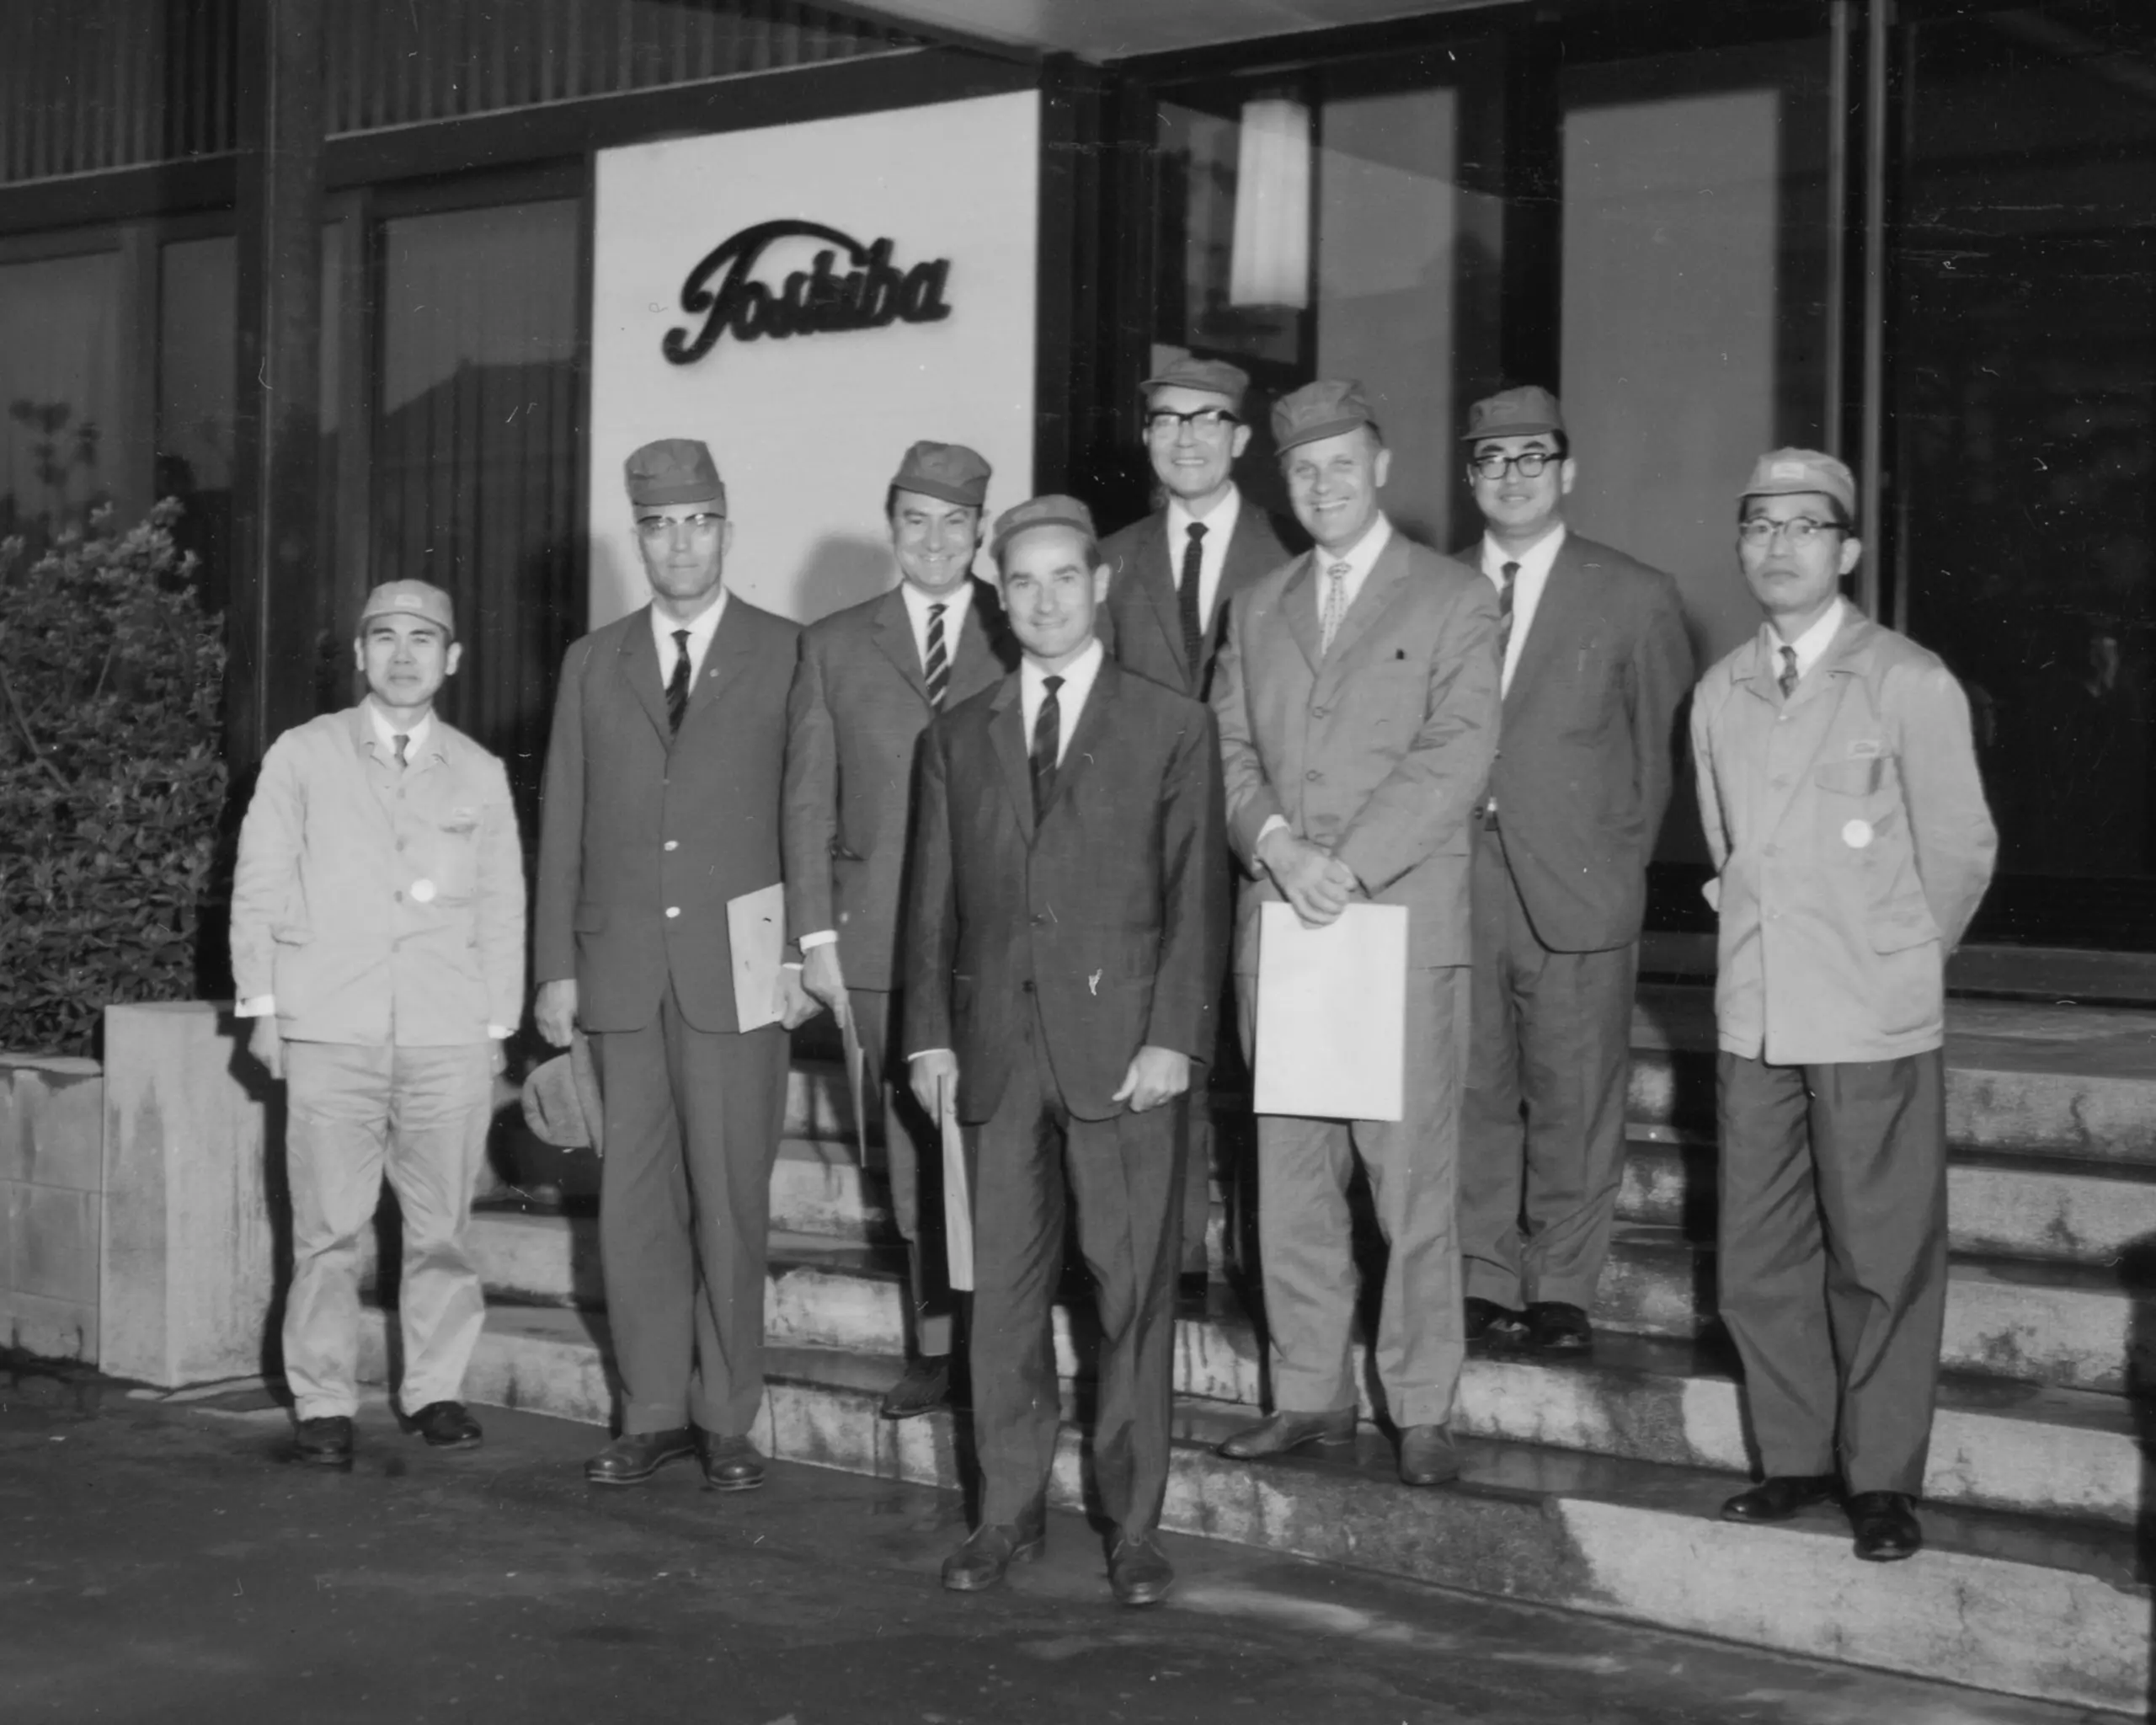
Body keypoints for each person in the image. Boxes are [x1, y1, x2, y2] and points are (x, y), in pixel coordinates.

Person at [904, 494, 1226, 1607]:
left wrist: (1175, 1036)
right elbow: (931, 901)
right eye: (1022, 582)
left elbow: (1197, 902)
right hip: (995, 1050)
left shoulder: (1170, 724)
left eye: (1063, 579)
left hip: (1124, 1053)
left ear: (1101, 588)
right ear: (999, 596)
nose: (1043, 600)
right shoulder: (958, 733)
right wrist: (928, 1040)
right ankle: (1005, 1513)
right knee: (1001, 1293)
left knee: (1130, 1292)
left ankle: (1132, 1526)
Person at [1691, 448, 1996, 1562]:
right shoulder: (1719, 691)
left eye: (1806, 527)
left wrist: (1903, 959)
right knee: (1761, 1254)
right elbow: (1730, 849)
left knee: (1881, 1251)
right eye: (1760, 525)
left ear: (1849, 551)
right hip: (1756, 1011)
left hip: (1869, 1010)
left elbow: (1961, 849)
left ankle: (1880, 1479)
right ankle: (1797, 1458)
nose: (1779, 546)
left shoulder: (1907, 682)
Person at [1210, 381, 1500, 1487]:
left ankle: (1421, 1404)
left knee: (1411, 1182)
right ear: (1280, 485)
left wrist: (1352, 863)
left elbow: (1459, 750)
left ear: (1382, 466)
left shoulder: (1453, 597)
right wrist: (1277, 846)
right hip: (1285, 923)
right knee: (1289, 1179)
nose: (1323, 484)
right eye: (1301, 469)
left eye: (1342, 462)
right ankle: (1308, 1394)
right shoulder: (1257, 604)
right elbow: (1229, 747)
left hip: (1397, 925)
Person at [533, 438, 818, 1493]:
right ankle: (650, 1409)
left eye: (698, 520)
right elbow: (564, 813)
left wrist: (800, 951)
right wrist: (553, 964)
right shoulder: (589, 658)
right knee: (635, 1201)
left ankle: (726, 1414)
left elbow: (807, 812)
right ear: (639, 539)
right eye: (659, 524)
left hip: (740, 970)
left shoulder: (790, 652)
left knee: (732, 1197)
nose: (680, 541)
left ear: (727, 531)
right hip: (618, 971)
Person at [232, 579, 524, 1468]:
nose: (404, 654)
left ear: (453, 657)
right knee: (326, 1230)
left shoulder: (478, 770)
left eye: (425, 638)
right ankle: (323, 1397)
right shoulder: (303, 754)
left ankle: (434, 1388)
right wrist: (264, 1007)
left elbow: (503, 907)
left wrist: (495, 1024)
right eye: (385, 637)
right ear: (358, 653)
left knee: (441, 1228)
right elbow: (261, 883)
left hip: (445, 1032)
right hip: (331, 1026)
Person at [1453, 386, 1694, 1359]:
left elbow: (1656, 757)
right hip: (1459, 880)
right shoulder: (1431, 589)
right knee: (1470, 1083)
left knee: (1575, 1087)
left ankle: (1560, 1281)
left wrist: (1612, 867)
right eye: (1491, 458)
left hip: (1578, 884)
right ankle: (1478, 1269)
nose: (1512, 474)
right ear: (1469, 477)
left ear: (1567, 470)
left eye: (1531, 455)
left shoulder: (1633, 593)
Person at [784, 440, 1017, 1419]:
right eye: (915, 519)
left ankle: (1003, 1341)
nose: (934, 539)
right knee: (914, 1150)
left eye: (955, 522)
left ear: (979, 533)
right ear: (891, 525)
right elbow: (805, 801)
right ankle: (935, 1347)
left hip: (997, 936)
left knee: (1003, 1142)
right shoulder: (835, 643)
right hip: (878, 942)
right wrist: (816, 942)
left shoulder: (1021, 628)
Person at [1100, 354, 1293, 1305]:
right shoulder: (1108, 559)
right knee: (1159, 1043)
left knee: (1270, 1061)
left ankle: (1273, 1271)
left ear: (1241, 440)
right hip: (1140, 861)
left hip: (1257, 850)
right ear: (1147, 436)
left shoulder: (1294, 559)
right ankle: (1170, 1256)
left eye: (1207, 419)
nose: (1186, 436)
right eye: (1168, 419)